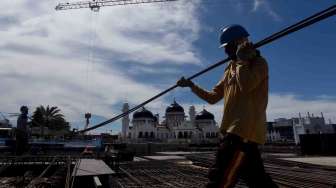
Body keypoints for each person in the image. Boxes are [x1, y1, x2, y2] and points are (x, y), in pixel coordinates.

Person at [177, 25, 278, 188]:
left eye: (229, 47)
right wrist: (191, 85)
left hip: (243, 131)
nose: (225, 52)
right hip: (233, 132)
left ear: (241, 42)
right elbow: (212, 97)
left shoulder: (258, 63)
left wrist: (242, 60)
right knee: (257, 180)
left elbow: (246, 85)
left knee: (220, 178)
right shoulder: (230, 68)